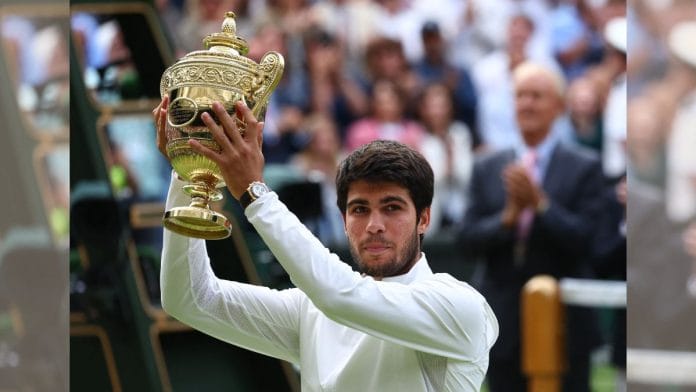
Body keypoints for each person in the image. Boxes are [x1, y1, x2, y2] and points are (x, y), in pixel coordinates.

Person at [153, 97, 499, 391]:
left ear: (424, 219)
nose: (374, 226)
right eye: (359, 210)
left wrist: (255, 194)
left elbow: (339, 296)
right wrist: (190, 168)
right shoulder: (311, 310)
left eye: (392, 208)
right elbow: (189, 298)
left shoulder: (461, 306)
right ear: (345, 220)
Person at [459, 61, 604, 391]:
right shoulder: (488, 167)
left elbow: (587, 241)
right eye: (521, 95)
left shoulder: (584, 166)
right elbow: (466, 240)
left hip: (565, 323)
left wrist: (541, 205)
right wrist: (506, 219)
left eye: (537, 96)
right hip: (502, 321)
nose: (527, 104)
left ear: (558, 106)